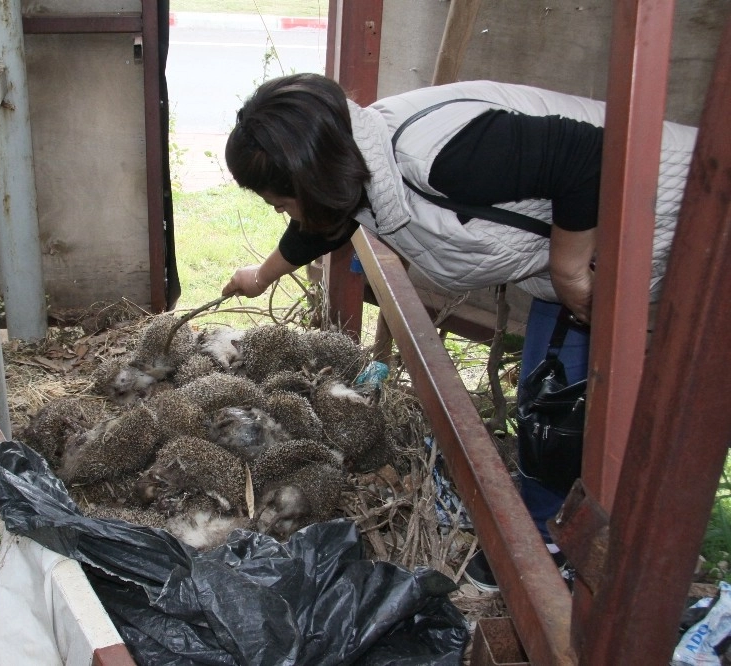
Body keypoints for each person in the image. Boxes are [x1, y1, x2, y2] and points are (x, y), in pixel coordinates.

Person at [220, 72, 697, 591]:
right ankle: (546, 537)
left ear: (313, 178)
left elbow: (587, 156)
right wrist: (259, 277)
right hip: (600, 261)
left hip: (684, 212)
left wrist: (570, 270)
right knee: (550, 414)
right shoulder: (357, 168)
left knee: (610, 421)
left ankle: (629, 571)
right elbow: (317, 223)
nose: (282, 213)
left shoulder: (436, 153)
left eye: (281, 202)